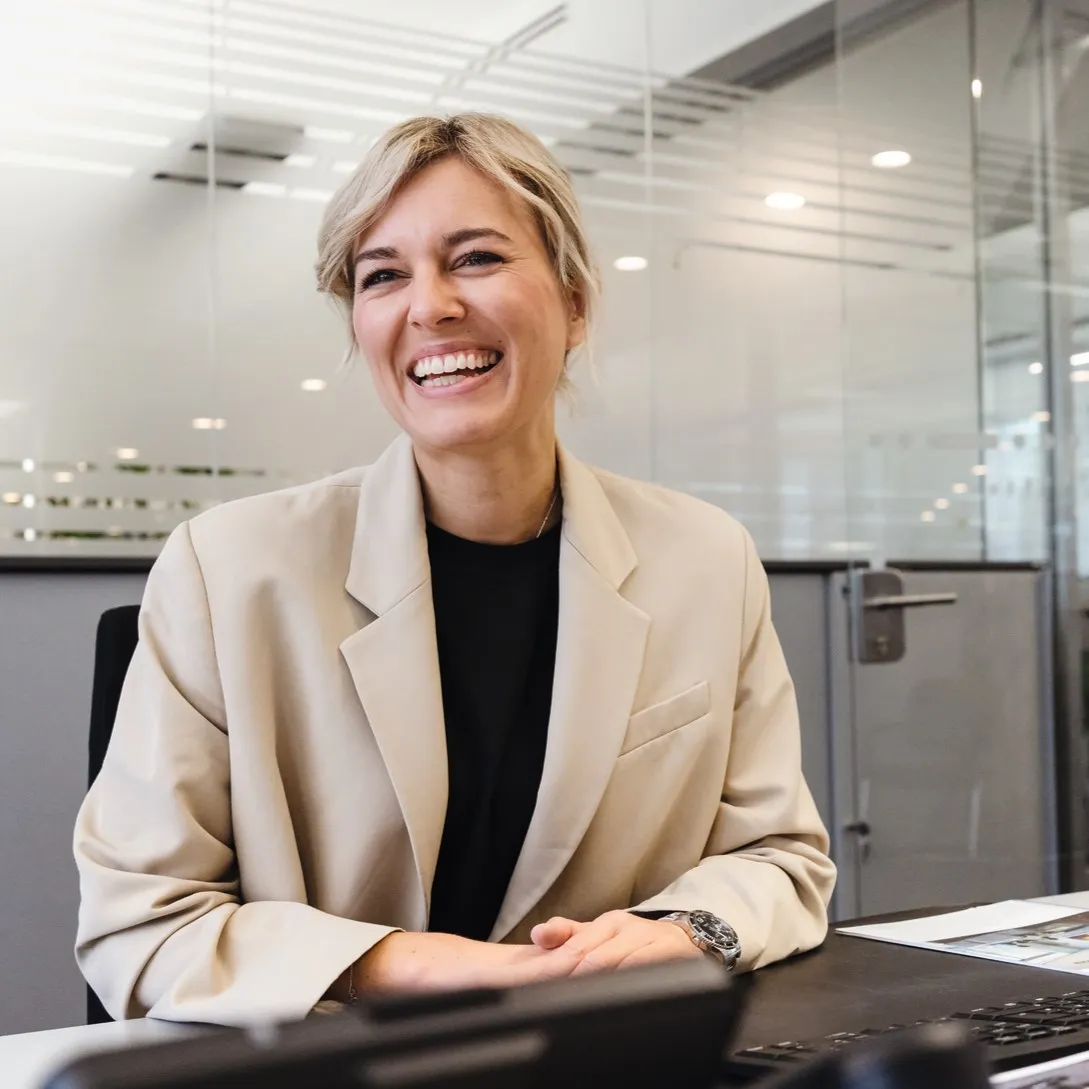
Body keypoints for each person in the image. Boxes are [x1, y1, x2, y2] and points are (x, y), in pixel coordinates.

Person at [74, 113, 836, 1026]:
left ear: (575, 303)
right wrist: (406, 965)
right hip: (335, 1064)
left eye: (475, 258)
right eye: (382, 275)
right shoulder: (228, 570)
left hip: (608, 1054)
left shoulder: (706, 559)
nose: (429, 306)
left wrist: (686, 928)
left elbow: (780, 856)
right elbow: (141, 920)